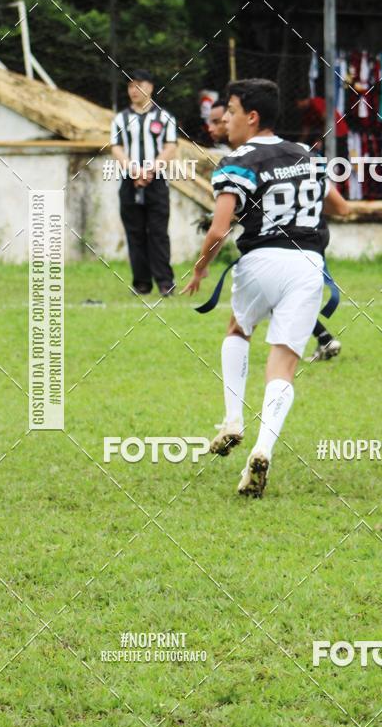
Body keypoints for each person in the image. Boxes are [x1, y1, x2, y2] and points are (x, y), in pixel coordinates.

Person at [183, 78, 349, 498]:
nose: (226, 120)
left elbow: (220, 229)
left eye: (232, 112)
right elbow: (341, 207)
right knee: (283, 366)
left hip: (260, 261)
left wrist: (200, 269)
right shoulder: (309, 156)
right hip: (308, 266)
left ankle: (233, 419)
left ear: (252, 117)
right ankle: (263, 448)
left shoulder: (238, 161)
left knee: (239, 329)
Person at [111, 69, 178, 297]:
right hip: (129, 182)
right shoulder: (120, 118)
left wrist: (150, 170)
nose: (133, 91)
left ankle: (165, 281)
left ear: (150, 87)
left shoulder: (165, 117)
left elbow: (170, 147)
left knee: (158, 231)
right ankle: (141, 282)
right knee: (134, 232)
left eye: (138, 85)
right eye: (130, 86)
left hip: (157, 181)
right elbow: (116, 147)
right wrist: (133, 170)